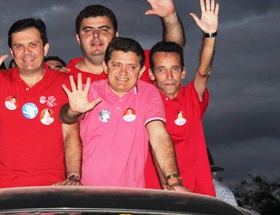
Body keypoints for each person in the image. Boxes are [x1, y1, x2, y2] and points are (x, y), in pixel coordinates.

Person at [0, 19, 82, 190]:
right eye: (19, 46)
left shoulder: (65, 82)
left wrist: (73, 176)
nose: (26, 52)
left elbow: (70, 133)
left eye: (33, 45)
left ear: (45, 48)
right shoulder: (0, 80)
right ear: (12, 52)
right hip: (4, 187)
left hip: (52, 185)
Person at [60, 37, 188, 190]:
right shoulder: (88, 91)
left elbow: (159, 135)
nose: (123, 72)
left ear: (141, 71)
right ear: (105, 67)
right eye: (116, 65)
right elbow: (66, 118)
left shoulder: (148, 93)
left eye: (131, 67)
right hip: (88, 192)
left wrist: (173, 181)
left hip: (131, 194)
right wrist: (73, 111)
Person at [143, 0, 219, 196]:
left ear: (183, 72)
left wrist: (210, 35)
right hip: (152, 195)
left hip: (196, 195)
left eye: (175, 69)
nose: (169, 76)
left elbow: (204, 71)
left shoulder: (192, 97)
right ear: (151, 74)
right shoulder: (143, 100)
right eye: (161, 70)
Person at [65, 0, 185, 83]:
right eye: (88, 31)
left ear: (116, 36)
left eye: (104, 30)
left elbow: (173, 49)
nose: (96, 35)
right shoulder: (63, 77)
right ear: (78, 38)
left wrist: (169, 17)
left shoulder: (138, 62)